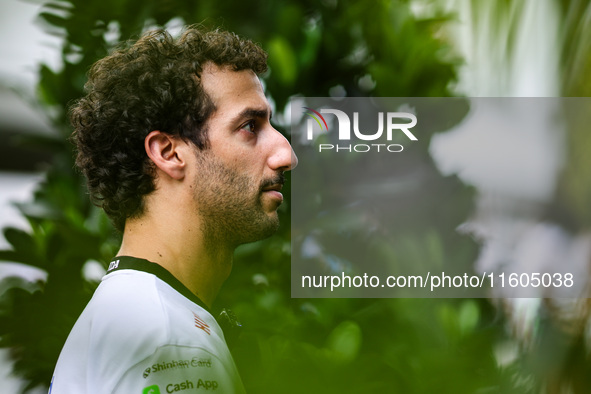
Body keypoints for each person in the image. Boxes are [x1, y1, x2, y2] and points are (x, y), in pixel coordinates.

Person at [49, 25, 297, 394]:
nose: (286, 155)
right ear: (168, 153)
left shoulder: (139, 314)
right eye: (249, 126)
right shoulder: (166, 338)